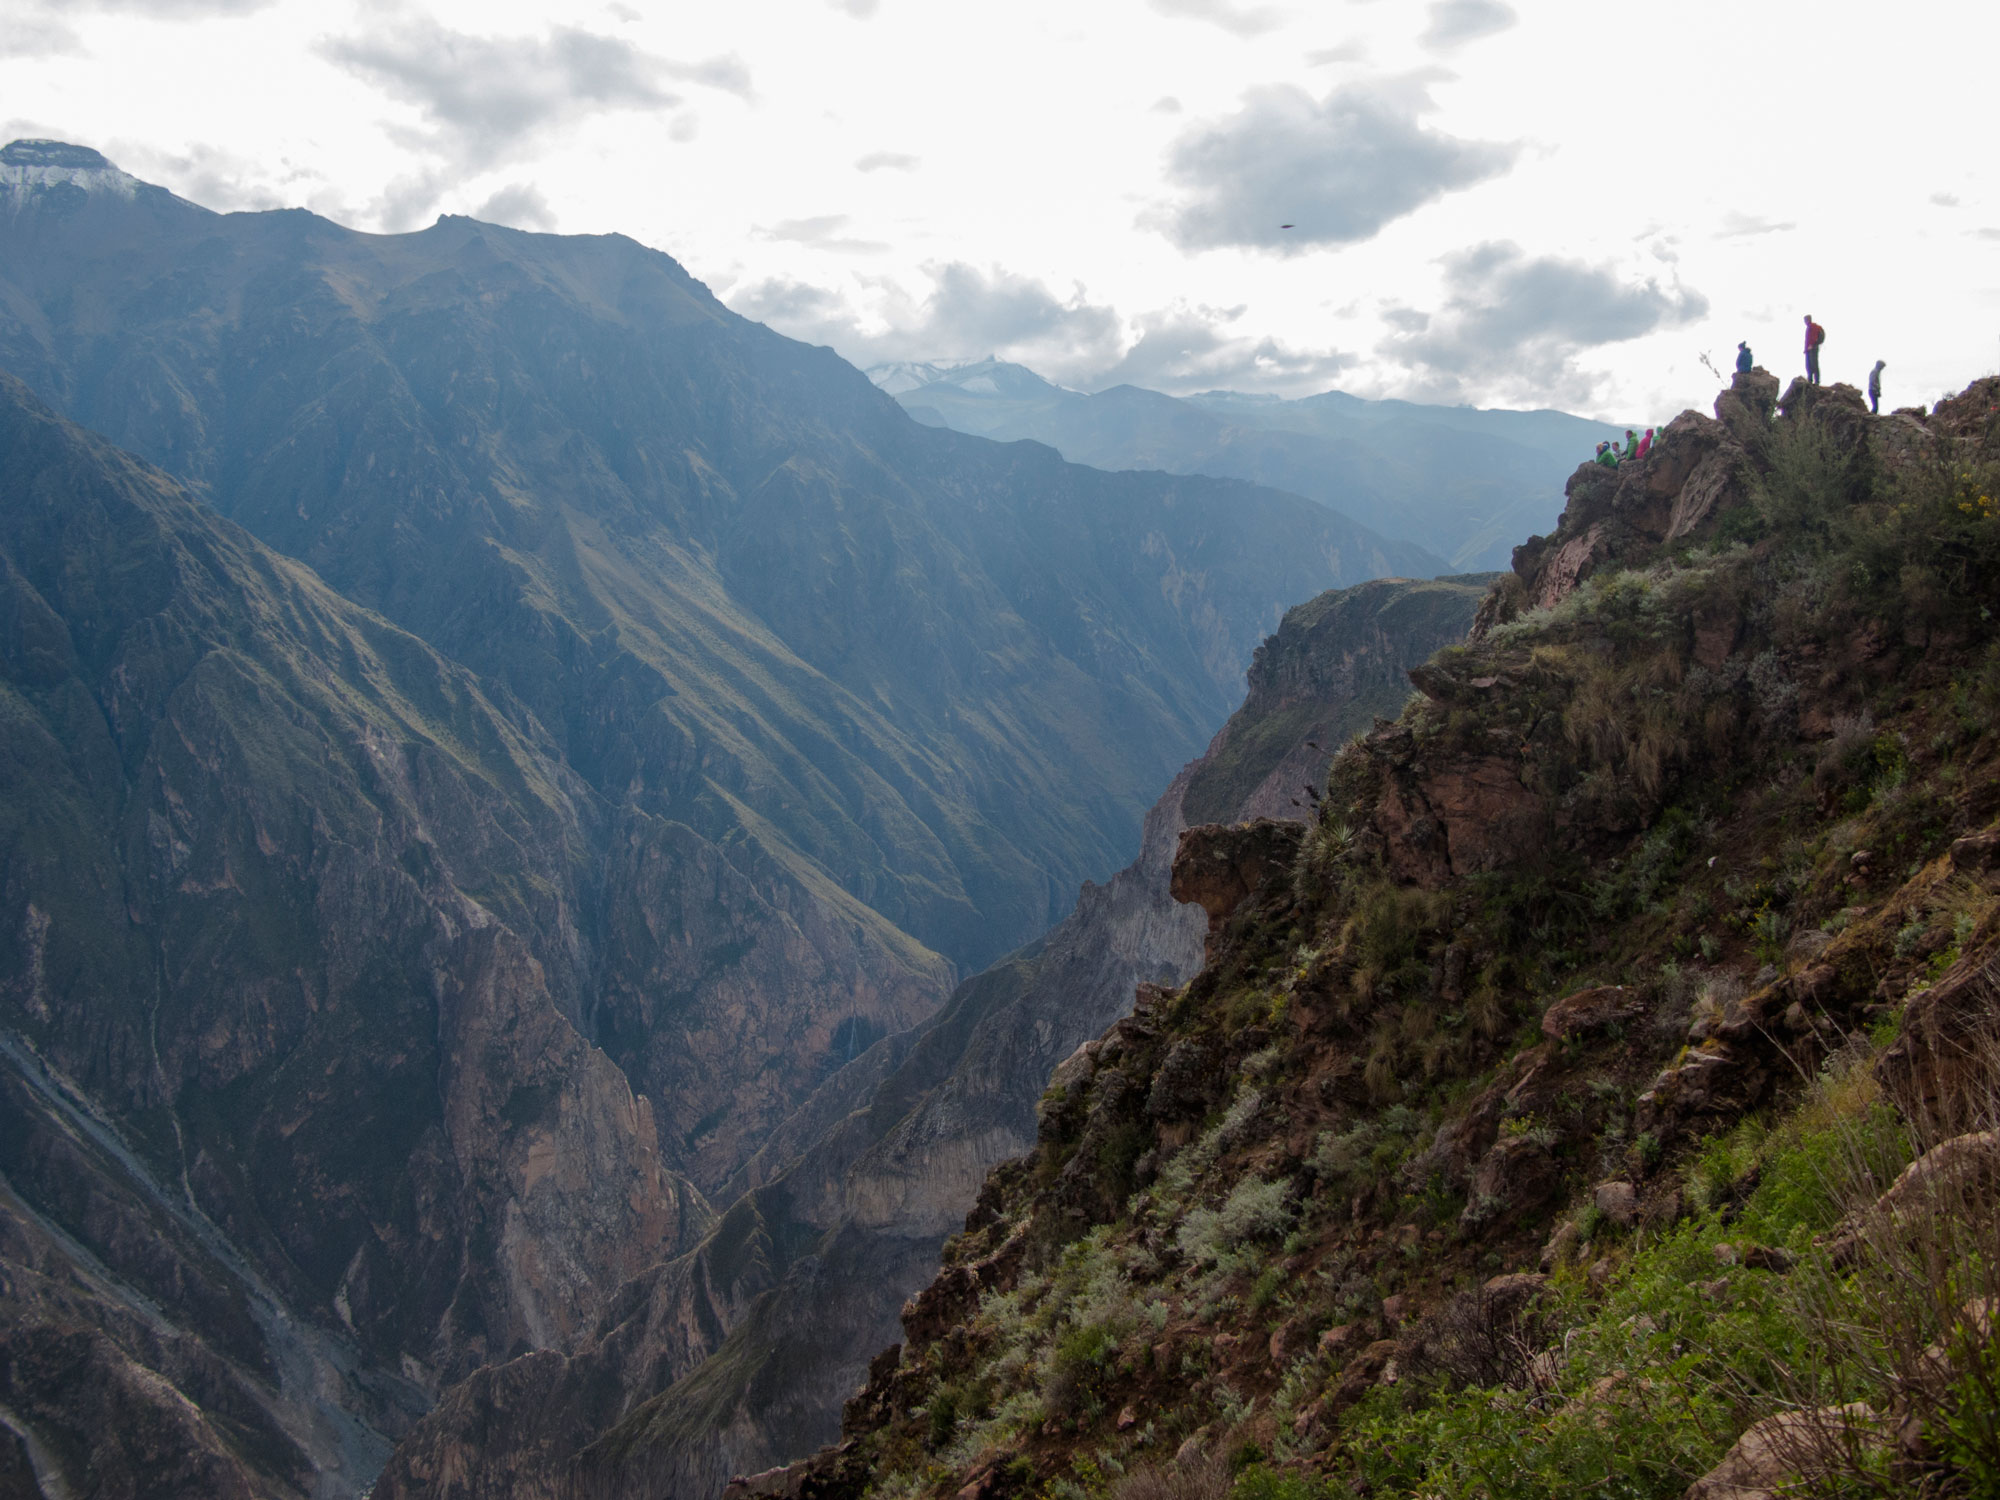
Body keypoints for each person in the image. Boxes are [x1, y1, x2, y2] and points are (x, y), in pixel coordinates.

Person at [1804, 315, 1826, 385]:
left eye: (1806, 320)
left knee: (1814, 365)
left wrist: (1814, 344)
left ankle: (1816, 381)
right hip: (1808, 349)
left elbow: (1814, 338)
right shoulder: (1809, 328)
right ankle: (1810, 380)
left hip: (1813, 348)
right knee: (1809, 365)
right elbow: (1808, 340)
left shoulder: (1814, 327)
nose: (1805, 322)